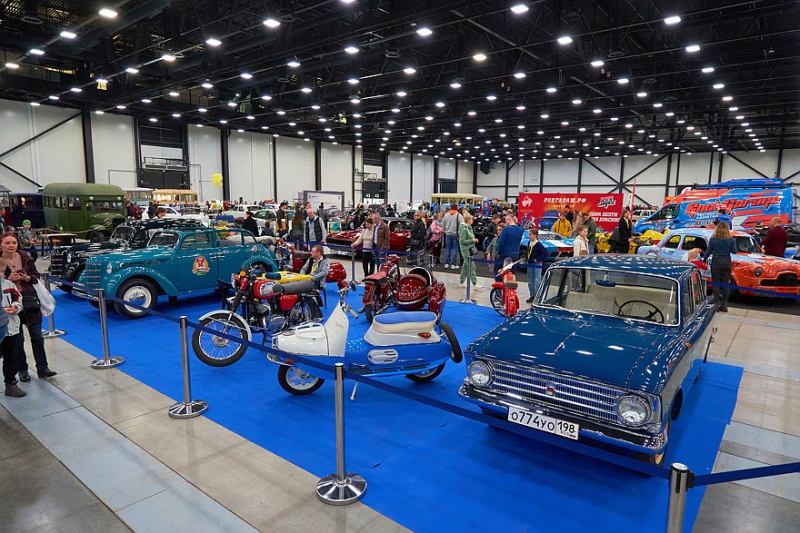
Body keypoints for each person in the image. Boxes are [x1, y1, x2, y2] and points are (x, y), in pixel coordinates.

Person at [0, 232, 57, 380]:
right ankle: (22, 370)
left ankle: (43, 368)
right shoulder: (0, 261)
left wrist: (26, 278)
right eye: (7, 243)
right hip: (11, 304)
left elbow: (36, 276)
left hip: (30, 301)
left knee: (37, 337)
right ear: (1, 245)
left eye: (14, 242)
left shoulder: (26, 257)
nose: (11, 245)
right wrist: (8, 279)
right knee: (18, 340)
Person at [0, 257, 25, 397]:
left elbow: (18, 298)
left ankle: (11, 384)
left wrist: (15, 307)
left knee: (11, 357)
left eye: (2, 271)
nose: (1, 274)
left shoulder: (9, 284)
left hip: (11, 328)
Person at [702, 222, 736, 312]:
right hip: (727, 262)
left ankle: (716, 305)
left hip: (716, 262)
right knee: (725, 284)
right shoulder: (731, 240)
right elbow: (734, 251)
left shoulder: (713, 239)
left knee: (716, 283)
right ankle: (724, 305)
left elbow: (708, 251)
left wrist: (704, 259)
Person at [458, 213, 483, 290]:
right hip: (465, 249)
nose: (472, 221)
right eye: (471, 219)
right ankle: (475, 283)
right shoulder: (463, 229)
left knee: (466, 266)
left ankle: (461, 281)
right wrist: (472, 240)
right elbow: (462, 241)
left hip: (470, 249)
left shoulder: (469, 228)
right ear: (468, 220)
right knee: (472, 266)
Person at [525, 229, 549, 303]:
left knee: (536, 280)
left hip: (536, 264)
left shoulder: (538, 244)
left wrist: (538, 259)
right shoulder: (529, 243)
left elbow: (545, 253)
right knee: (530, 280)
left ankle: (537, 296)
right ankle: (532, 295)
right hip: (530, 263)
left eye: (530, 235)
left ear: (535, 236)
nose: (529, 236)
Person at [442, 203, 464, 269]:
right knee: (455, 249)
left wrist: (445, 230)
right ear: (456, 208)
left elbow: (443, 224)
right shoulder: (458, 215)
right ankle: (453, 264)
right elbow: (462, 224)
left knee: (448, 249)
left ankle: (446, 263)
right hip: (456, 234)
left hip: (448, 234)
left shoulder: (446, 215)